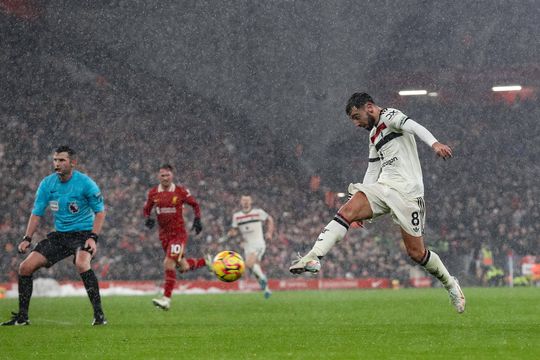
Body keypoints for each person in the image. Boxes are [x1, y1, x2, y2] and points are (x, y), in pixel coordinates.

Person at [289, 92, 466, 313]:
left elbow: (415, 126)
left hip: (408, 194)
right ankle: (313, 257)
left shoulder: (391, 115)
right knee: (347, 210)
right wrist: (361, 203)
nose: (356, 123)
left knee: (417, 253)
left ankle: (450, 283)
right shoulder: (373, 135)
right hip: (384, 187)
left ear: (370, 107)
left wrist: (434, 143)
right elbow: (373, 170)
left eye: (356, 116)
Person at [1, 146, 107, 326]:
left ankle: (99, 316)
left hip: (83, 234)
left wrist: (93, 237)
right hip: (60, 236)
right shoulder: (47, 184)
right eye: (55, 160)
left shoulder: (86, 183)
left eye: (62, 160)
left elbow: (100, 212)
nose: (57, 164)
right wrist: (27, 238)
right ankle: (22, 317)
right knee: (25, 267)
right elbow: (36, 213)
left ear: (73, 163)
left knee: (82, 264)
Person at [143, 164, 208, 310]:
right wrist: (147, 218)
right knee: (183, 267)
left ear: (172, 176)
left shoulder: (180, 191)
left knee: (168, 263)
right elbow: (147, 208)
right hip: (164, 236)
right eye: (162, 175)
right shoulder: (153, 193)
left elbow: (195, 205)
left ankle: (166, 299)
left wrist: (197, 220)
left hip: (178, 235)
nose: (165, 178)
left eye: (167, 175)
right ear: (158, 176)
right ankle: (206, 262)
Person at [223, 195, 274, 298]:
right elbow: (234, 230)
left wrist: (269, 233)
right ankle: (266, 289)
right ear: (241, 202)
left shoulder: (258, 212)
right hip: (247, 245)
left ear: (251, 201)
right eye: (244, 200)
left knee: (249, 263)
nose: (245, 202)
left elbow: (270, 219)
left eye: (247, 200)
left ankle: (263, 279)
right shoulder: (236, 216)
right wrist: (231, 233)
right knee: (254, 267)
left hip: (258, 243)